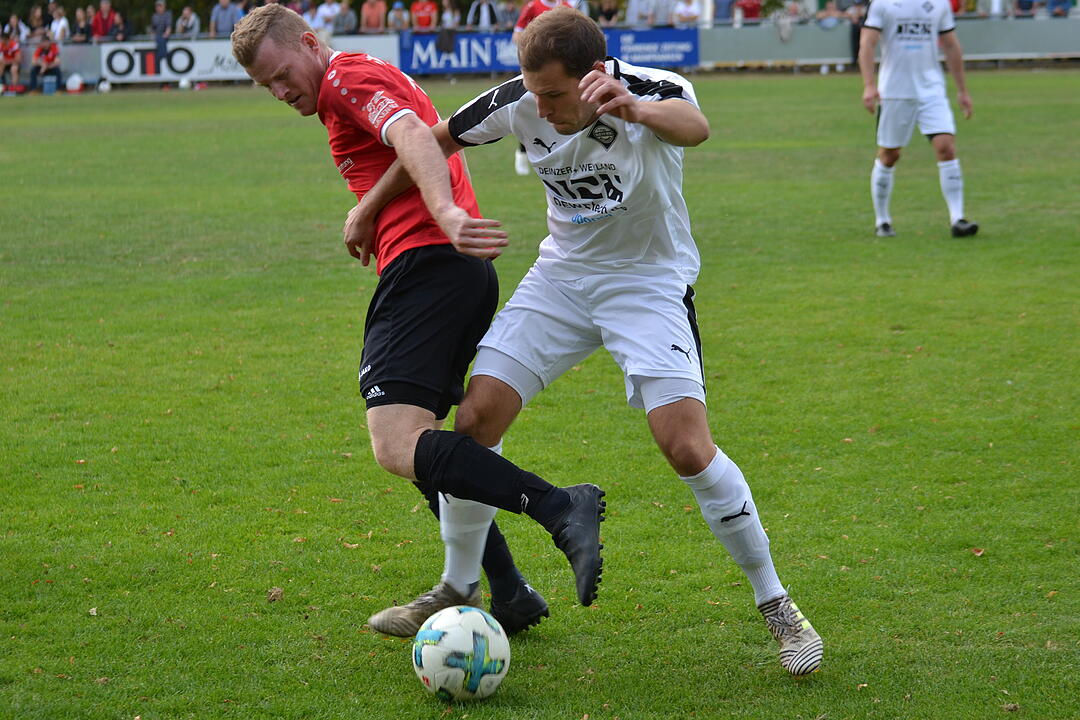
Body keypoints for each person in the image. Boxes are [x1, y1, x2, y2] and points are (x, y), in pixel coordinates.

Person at [354, 6, 825, 677]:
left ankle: (777, 605)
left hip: (648, 284)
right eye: (534, 93)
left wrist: (634, 110)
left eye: (553, 94)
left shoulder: (649, 89)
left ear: (594, 74)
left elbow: (695, 126)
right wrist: (368, 206)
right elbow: (430, 141)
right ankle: (459, 585)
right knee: (476, 420)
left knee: (686, 446)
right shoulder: (519, 100)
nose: (541, 110)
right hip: (562, 280)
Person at [229, 3, 604, 638]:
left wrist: (446, 213)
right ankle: (507, 590)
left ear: (310, 44)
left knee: (396, 442)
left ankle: (558, 506)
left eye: (282, 74)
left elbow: (410, 136)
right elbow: (422, 135)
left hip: (428, 265)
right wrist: (370, 210)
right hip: (444, 269)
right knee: (425, 441)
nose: (280, 91)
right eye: (267, 86)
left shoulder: (346, 77)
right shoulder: (352, 81)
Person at [859, 0, 978, 237]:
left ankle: (958, 219)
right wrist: (869, 85)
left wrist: (962, 90)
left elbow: (951, 45)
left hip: (931, 89)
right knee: (889, 155)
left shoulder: (939, 4)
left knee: (946, 147)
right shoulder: (882, 4)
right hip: (894, 91)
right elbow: (867, 43)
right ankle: (882, 220)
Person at [511, 0, 570, 175]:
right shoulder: (533, 6)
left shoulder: (566, 7)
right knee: (532, 113)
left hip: (560, 73)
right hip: (537, 73)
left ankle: (563, 157)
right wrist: (535, 50)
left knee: (563, 112)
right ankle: (522, 152)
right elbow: (517, 34)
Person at [151, 0, 172, 73]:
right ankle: (163, 54)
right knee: (159, 38)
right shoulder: (154, 16)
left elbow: (169, 26)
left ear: (164, 7)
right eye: (157, 6)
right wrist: (153, 35)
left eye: (160, 6)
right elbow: (153, 28)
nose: (158, 8)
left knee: (162, 39)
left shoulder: (168, 14)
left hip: (164, 35)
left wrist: (166, 33)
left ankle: (160, 56)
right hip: (158, 35)